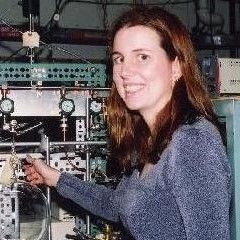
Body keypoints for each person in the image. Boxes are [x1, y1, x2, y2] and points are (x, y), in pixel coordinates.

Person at [24, 5, 231, 240]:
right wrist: (56, 178)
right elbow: (117, 205)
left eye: (142, 57)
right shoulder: (152, 140)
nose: (125, 71)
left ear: (177, 67)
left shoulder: (193, 143)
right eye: (119, 59)